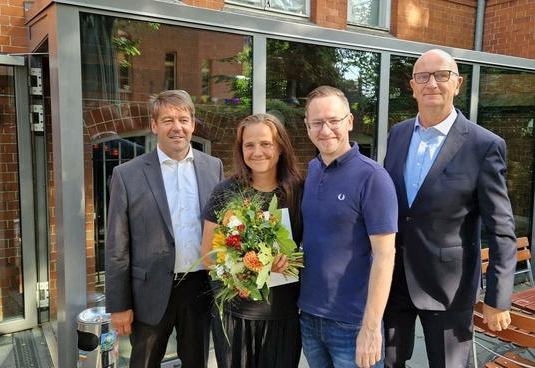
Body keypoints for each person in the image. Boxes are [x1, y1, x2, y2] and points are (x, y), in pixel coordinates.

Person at [383, 49, 517, 368]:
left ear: (457, 83)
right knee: (386, 364)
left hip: (449, 289)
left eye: (441, 75)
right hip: (394, 281)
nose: (432, 83)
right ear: (412, 86)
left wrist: (498, 298)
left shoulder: (484, 145)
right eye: (423, 76)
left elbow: (501, 229)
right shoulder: (398, 133)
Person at [105, 90, 223, 368]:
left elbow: (220, 229)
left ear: (193, 124)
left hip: (199, 287)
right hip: (149, 291)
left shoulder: (213, 167)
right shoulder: (127, 174)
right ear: (154, 125)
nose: (177, 127)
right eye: (168, 120)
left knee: (196, 362)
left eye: (183, 119)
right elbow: (116, 245)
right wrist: (119, 305)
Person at [298, 85, 398, 368]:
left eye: (333, 120)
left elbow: (385, 255)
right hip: (309, 316)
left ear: (350, 122)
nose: (325, 129)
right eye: (317, 123)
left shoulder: (373, 178)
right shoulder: (312, 170)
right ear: (307, 127)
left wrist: (370, 328)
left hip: (353, 323)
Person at [201, 113, 303, 368]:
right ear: (240, 149)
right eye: (249, 145)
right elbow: (208, 256)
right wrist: (243, 268)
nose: (257, 151)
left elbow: (313, 247)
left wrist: (290, 260)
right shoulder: (225, 192)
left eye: (266, 143)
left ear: (280, 147)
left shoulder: (299, 191)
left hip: (283, 316)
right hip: (236, 316)